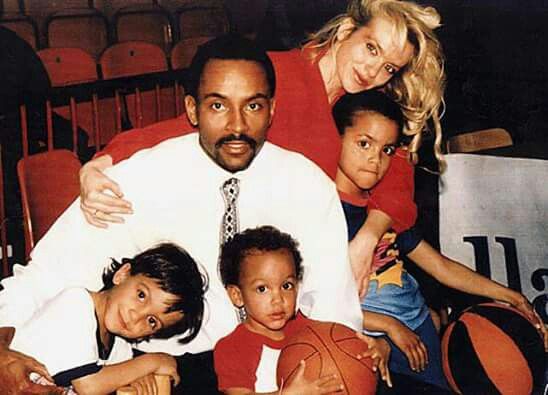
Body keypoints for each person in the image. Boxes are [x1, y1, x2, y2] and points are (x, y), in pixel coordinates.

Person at [0, 35, 361, 394]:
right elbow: (47, 273)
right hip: (168, 371)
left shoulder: (307, 185)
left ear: (272, 109)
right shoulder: (142, 176)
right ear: (192, 109)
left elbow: (332, 303)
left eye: (253, 106)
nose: (237, 126)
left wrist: (338, 363)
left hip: (281, 360)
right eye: (218, 106)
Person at [77, 0, 445, 294]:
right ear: (347, 30)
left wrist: (366, 238)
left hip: (320, 264)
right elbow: (186, 127)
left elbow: (398, 177)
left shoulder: (368, 101)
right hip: (247, 256)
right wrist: (99, 163)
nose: (374, 69)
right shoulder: (275, 72)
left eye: (389, 67)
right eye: (370, 48)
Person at [332, 90, 548, 391]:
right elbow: (317, 301)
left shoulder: (384, 208)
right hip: (371, 341)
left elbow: (440, 267)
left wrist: (511, 296)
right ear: (334, 138)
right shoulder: (323, 213)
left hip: (419, 331)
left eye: (387, 150)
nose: (375, 158)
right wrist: (386, 328)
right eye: (364, 143)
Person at [3, 243, 206, 394]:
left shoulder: (120, 350)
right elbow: (89, 386)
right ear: (123, 274)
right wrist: (155, 360)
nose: (136, 315)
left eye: (152, 321)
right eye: (141, 295)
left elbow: (117, 382)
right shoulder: (76, 303)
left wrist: (138, 381)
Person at [215, 225, 391, 394]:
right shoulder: (232, 348)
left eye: (286, 285)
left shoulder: (311, 330)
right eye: (262, 289)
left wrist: (380, 348)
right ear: (237, 295)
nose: (278, 299)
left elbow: (353, 344)